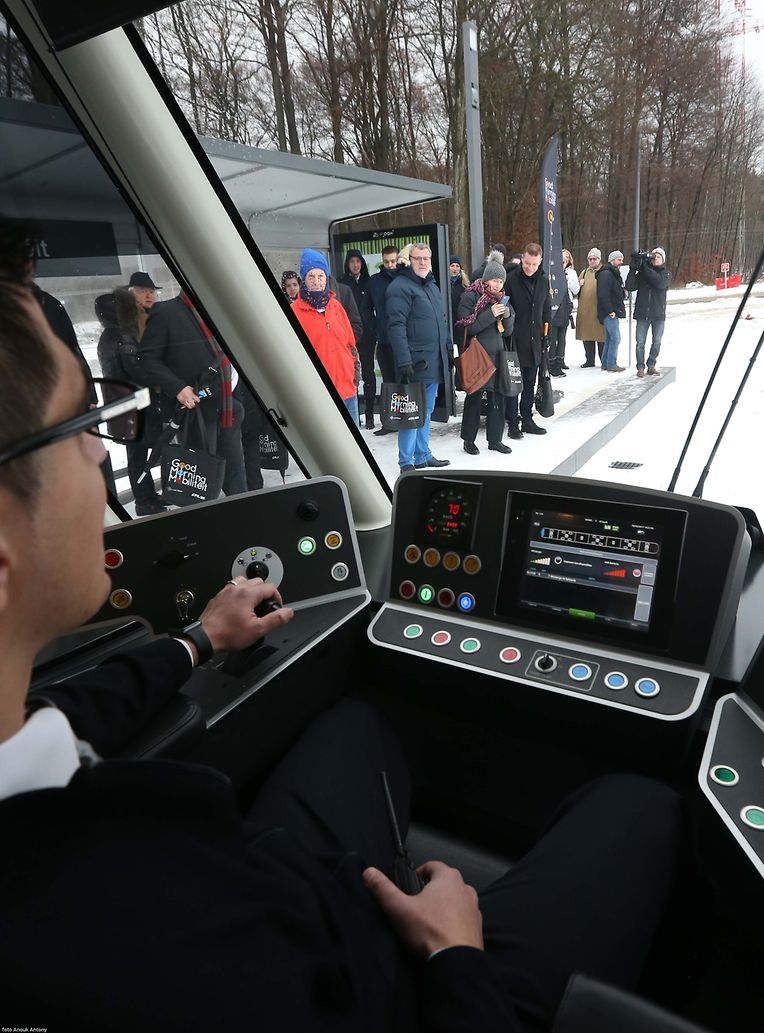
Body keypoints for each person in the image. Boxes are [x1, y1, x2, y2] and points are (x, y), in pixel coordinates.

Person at [0, 219, 686, 1031]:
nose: (101, 454)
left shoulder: (24, 746)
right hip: (394, 990)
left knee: (359, 722)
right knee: (642, 806)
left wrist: (196, 641)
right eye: (82, 425)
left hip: (273, 881)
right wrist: (452, 955)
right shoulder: (141, 958)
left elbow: (58, 715)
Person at [136, 290, 248, 496]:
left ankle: (243, 509)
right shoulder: (167, 312)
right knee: (199, 484)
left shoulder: (220, 312)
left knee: (236, 473)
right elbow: (146, 358)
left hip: (228, 407)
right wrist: (177, 388)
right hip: (194, 413)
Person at [95, 286, 165, 515]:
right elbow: (136, 368)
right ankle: (145, 500)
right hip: (137, 403)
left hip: (123, 403)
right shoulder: (120, 335)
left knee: (136, 454)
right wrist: (160, 381)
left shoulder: (107, 336)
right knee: (139, 455)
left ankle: (146, 496)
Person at [386, 242, 452, 472]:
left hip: (434, 360)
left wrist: (448, 349)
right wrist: (404, 361)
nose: (422, 262)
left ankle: (422, 455)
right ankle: (406, 461)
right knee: (411, 412)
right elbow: (396, 326)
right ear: (409, 260)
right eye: (417, 258)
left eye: (426, 258)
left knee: (426, 411)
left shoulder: (431, 285)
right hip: (414, 363)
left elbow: (441, 321)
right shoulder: (400, 287)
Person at [292, 248, 360, 426]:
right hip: (319, 396)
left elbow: (350, 344)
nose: (316, 281)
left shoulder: (336, 306)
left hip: (348, 390)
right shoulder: (294, 313)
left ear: (327, 278)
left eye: (321, 276)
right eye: (311, 276)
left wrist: (355, 374)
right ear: (303, 279)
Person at [456, 252, 514, 456]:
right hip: (477, 355)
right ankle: (469, 440)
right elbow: (466, 328)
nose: (498, 284)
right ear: (486, 279)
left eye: (501, 281)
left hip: (497, 354)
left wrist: (507, 315)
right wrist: (490, 314)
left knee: (498, 399)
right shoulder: (471, 296)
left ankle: (495, 440)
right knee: (474, 398)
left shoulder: (502, 299)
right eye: (495, 280)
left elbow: (508, 332)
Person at [505, 243, 552, 438]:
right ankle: (512, 423)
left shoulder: (543, 280)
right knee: (514, 385)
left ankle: (527, 419)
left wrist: (546, 335)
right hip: (515, 341)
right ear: (522, 259)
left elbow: (546, 310)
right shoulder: (511, 279)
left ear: (540, 262)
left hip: (535, 342)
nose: (530, 268)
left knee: (529, 383)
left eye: (534, 264)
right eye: (527, 263)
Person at [340, 249, 378, 429]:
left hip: (368, 335)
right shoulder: (341, 283)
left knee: (368, 374)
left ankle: (370, 414)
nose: (355, 265)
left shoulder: (368, 282)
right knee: (351, 375)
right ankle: (356, 413)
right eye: (352, 262)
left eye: (358, 261)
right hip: (349, 336)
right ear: (347, 264)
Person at [368, 245, 400, 436]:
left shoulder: (405, 278)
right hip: (384, 340)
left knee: (404, 381)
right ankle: (389, 422)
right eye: (386, 261)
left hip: (404, 340)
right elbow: (365, 308)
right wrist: (375, 327)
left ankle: (406, 419)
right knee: (388, 383)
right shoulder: (374, 281)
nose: (390, 265)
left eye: (393, 261)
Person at [625, 247, 671, 377]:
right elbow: (630, 286)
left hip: (658, 315)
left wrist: (644, 268)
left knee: (657, 342)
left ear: (663, 260)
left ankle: (651, 364)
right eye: (654, 256)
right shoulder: (643, 273)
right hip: (642, 313)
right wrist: (633, 268)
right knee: (640, 343)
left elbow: (659, 283)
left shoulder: (666, 274)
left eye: (658, 256)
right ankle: (640, 367)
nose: (655, 258)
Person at [547, 249, 580, 378]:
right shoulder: (551, 275)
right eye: (561, 261)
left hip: (565, 310)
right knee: (553, 340)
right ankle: (552, 364)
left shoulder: (568, 274)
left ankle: (559, 361)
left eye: (564, 261)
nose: (562, 264)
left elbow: (572, 292)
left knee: (562, 339)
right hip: (554, 312)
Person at [596, 250, 626, 373]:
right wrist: (610, 310)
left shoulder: (612, 273)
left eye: (622, 260)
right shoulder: (606, 274)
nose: (621, 262)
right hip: (610, 312)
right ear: (612, 260)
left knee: (609, 338)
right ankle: (611, 364)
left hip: (612, 310)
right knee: (615, 338)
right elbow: (603, 294)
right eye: (619, 260)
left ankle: (605, 363)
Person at [576, 248, 605, 367]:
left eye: (594, 259)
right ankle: (589, 360)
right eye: (590, 259)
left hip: (599, 310)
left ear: (599, 259)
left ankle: (603, 360)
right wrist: (579, 284)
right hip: (585, 310)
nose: (592, 261)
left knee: (601, 336)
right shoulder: (584, 272)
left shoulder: (603, 272)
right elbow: (575, 290)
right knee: (587, 335)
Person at [449, 254, 470, 340]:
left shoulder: (464, 286)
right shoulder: (443, 284)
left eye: (457, 266)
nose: (455, 268)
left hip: (459, 323)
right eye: (452, 266)